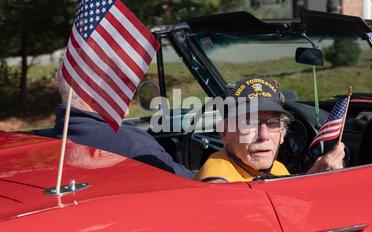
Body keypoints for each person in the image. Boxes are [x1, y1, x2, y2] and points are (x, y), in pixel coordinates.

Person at [195, 75, 345, 182]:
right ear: (225, 133)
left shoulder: (277, 168)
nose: (264, 135)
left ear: (282, 134)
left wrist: (312, 177)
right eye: (249, 124)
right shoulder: (218, 181)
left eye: (273, 123)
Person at [53, 71, 193, 179]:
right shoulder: (134, 147)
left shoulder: (52, 138)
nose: (127, 95)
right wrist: (213, 165)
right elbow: (195, 188)